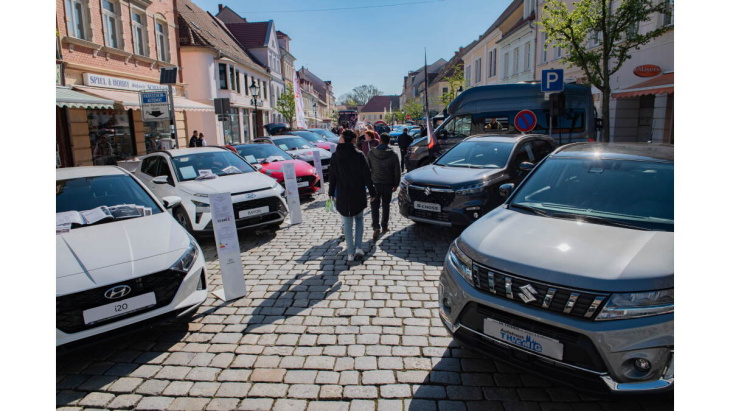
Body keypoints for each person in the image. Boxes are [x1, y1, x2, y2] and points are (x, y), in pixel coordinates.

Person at [328, 130, 376, 262]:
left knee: (347, 223)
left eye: (340, 136)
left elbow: (332, 177)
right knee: (359, 219)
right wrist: (372, 192)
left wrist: (331, 192)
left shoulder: (335, 156)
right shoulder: (359, 154)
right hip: (358, 192)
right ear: (353, 140)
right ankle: (358, 247)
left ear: (343, 139)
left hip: (343, 193)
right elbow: (367, 175)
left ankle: (350, 253)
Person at [366, 133, 400, 240]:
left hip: (375, 183)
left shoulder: (371, 153)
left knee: (374, 206)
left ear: (379, 140)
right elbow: (397, 171)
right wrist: (396, 184)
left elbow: (367, 169)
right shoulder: (393, 154)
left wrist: (368, 183)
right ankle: (384, 226)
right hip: (388, 184)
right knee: (386, 205)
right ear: (388, 142)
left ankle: (376, 226)